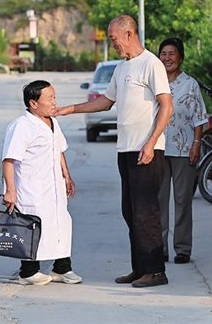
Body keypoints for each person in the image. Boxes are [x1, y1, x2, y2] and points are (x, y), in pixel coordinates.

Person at [56, 15, 173, 288]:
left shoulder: (151, 64)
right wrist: (69, 109)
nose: (113, 44)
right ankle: (140, 268)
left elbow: (167, 106)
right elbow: (105, 102)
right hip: (126, 149)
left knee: (146, 212)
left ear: (129, 34)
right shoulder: (122, 69)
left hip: (146, 149)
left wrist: (151, 142)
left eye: (114, 38)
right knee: (130, 212)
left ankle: (156, 271)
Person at [1, 80, 82, 286]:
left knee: (61, 225)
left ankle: (61, 268)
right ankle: (28, 272)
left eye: (55, 97)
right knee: (33, 229)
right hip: (32, 189)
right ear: (33, 103)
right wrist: (10, 190)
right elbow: (9, 159)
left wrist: (67, 175)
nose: (54, 102)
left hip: (53, 186)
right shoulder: (21, 126)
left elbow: (59, 150)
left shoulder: (52, 122)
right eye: (50, 99)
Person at [157, 38, 207, 265]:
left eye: (172, 53)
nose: (167, 58)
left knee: (182, 201)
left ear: (181, 57)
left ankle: (182, 248)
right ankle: (159, 248)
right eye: (163, 54)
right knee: (159, 201)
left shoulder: (190, 84)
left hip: (184, 150)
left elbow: (199, 118)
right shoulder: (153, 82)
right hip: (157, 149)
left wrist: (196, 144)